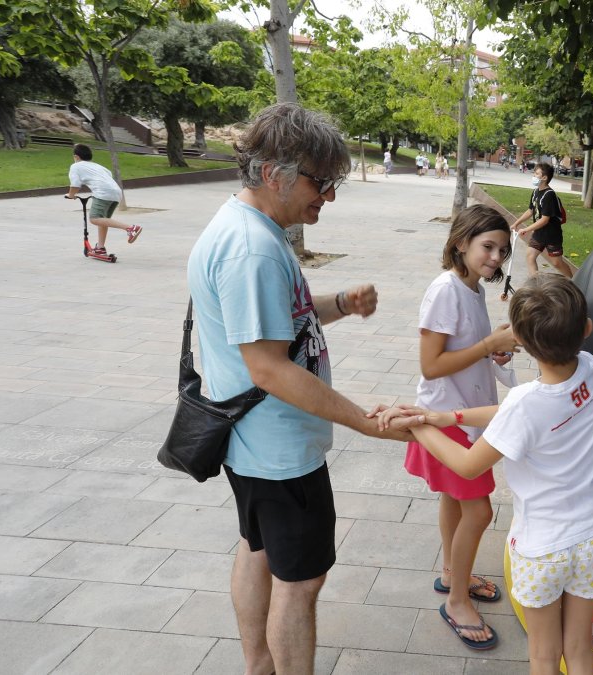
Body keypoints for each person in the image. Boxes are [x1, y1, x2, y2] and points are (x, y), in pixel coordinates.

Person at [186, 103, 408, 675]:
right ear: (272, 173)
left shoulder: (246, 227)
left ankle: (259, 664)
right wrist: (365, 419)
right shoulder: (253, 249)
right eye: (321, 181)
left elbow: (270, 330)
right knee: (301, 581)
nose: (328, 196)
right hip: (279, 452)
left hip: (253, 444)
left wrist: (337, 304)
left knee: (258, 551)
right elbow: (269, 367)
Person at [377, 274, 593, 673]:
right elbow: (513, 418)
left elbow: (469, 464)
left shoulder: (526, 402)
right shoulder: (590, 369)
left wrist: (418, 425)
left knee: (543, 654)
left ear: (518, 340)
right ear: (586, 329)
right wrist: (445, 416)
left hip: (542, 549)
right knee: (578, 648)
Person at [402, 204, 519, 650]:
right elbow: (431, 366)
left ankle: (455, 573)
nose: (496, 257)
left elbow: (464, 350)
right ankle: (456, 601)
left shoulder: (470, 289)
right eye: (488, 246)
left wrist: (494, 353)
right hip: (447, 417)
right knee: (480, 511)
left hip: (463, 414)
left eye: (503, 250)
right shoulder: (445, 290)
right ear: (461, 242)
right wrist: (489, 344)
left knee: (456, 501)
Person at [65, 143, 142, 255]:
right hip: (116, 193)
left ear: (76, 157)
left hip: (103, 193)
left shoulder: (75, 166)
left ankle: (131, 228)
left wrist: (71, 195)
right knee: (103, 219)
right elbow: (108, 176)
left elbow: (75, 185)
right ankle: (100, 247)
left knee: (94, 218)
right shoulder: (98, 166)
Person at [510, 163, 576, 280]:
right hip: (539, 234)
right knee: (530, 256)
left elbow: (545, 220)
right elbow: (530, 210)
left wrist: (526, 229)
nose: (534, 176)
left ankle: (574, 282)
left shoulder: (549, 195)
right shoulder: (536, 192)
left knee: (557, 263)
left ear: (544, 178)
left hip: (552, 235)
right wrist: (517, 223)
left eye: (536, 174)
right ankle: (535, 284)